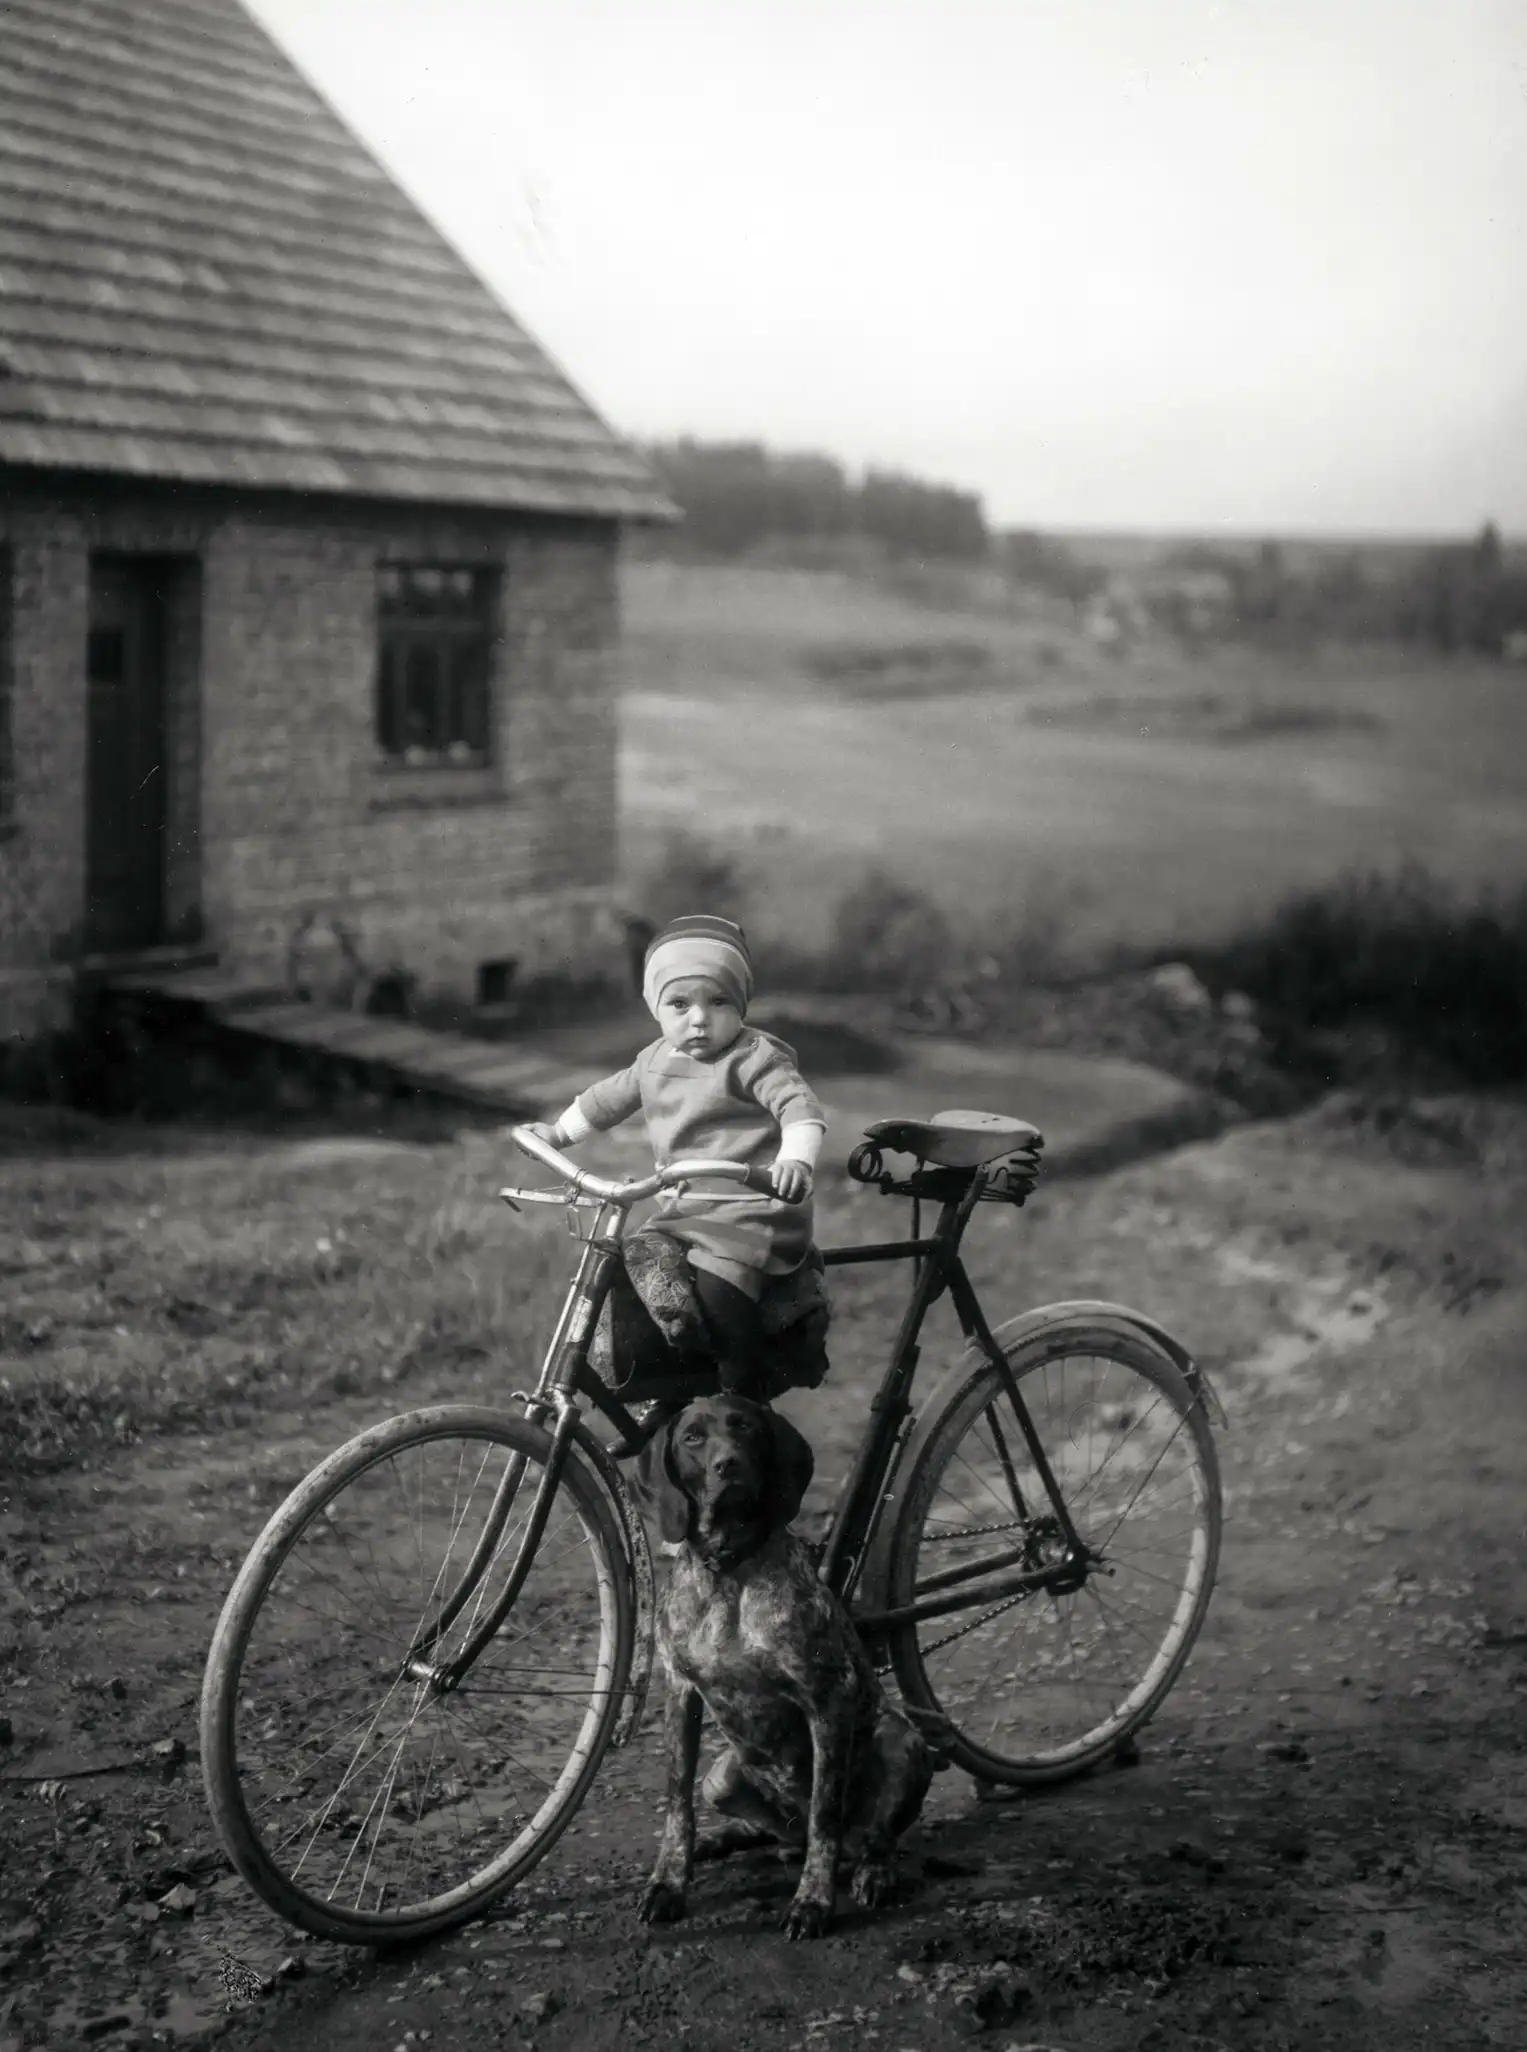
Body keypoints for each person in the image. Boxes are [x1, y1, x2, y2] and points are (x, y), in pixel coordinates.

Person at [532, 914, 827, 1399]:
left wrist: (794, 1160)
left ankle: (741, 1392)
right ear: (657, 1009)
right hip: (685, 1208)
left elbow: (799, 1108)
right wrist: (558, 1134)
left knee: (720, 1291)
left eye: (718, 1001)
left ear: (742, 1005)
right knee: (636, 1272)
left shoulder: (754, 1056)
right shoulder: (654, 1060)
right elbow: (604, 1100)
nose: (699, 1019)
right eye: (679, 1003)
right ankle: (667, 1387)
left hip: (750, 1209)